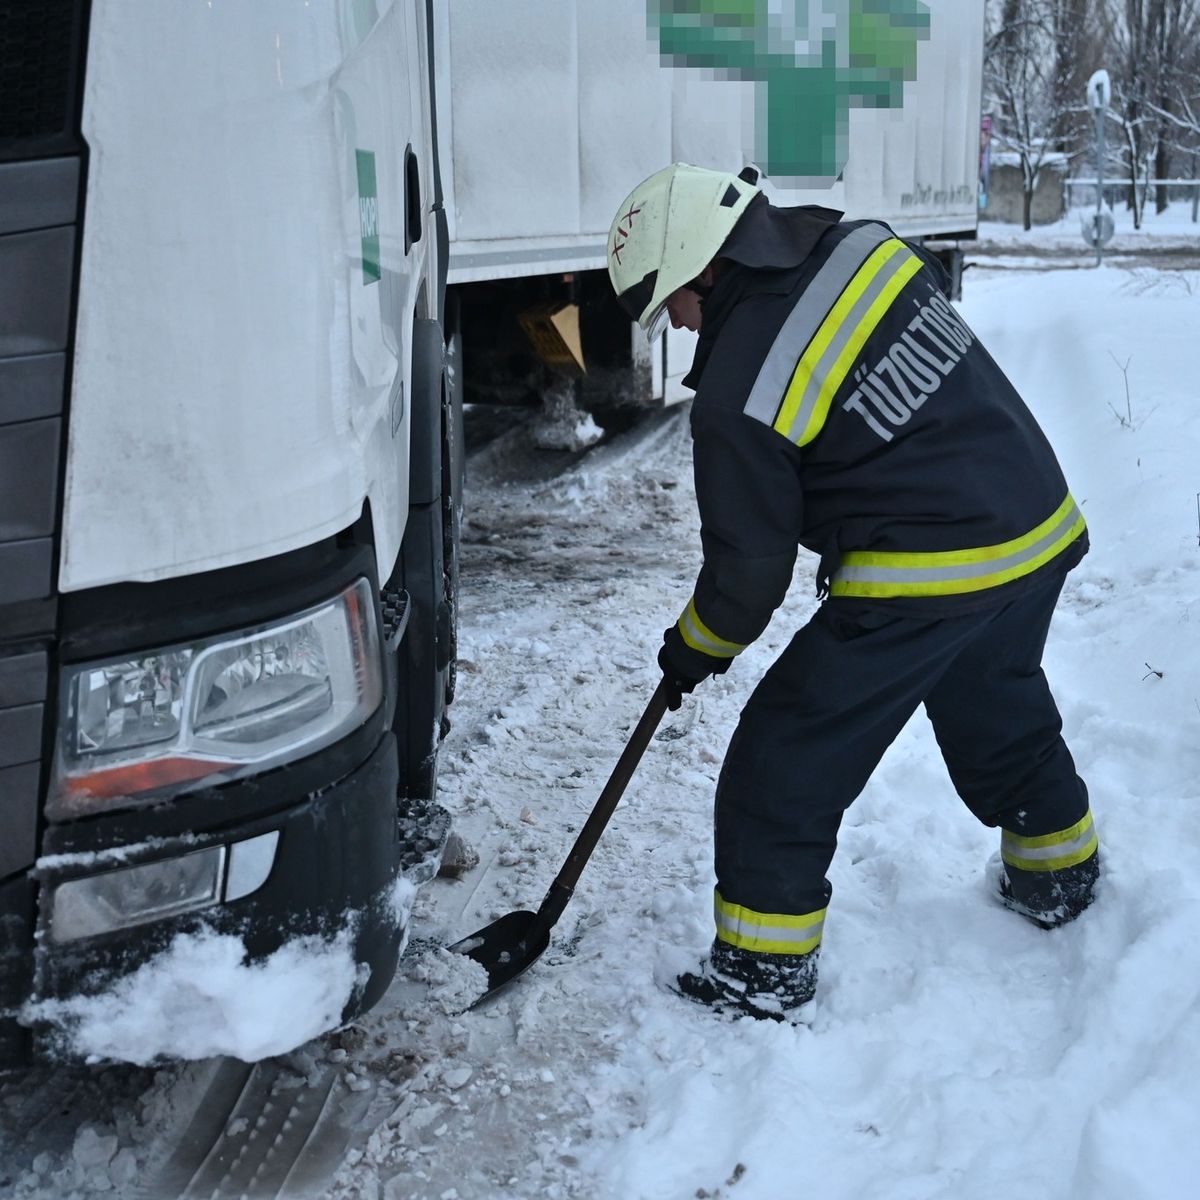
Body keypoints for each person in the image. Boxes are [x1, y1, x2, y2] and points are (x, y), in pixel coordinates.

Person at [606, 163, 1099, 1021]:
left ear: (701, 266)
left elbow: (746, 574)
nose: (678, 324)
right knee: (997, 710)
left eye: (669, 301)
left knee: (783, 762)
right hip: (1034, 522)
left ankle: (761, 970)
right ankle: (1060, 874)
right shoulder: (863, 245)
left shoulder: (739, 394)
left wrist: (693, 647)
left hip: (928, 569)